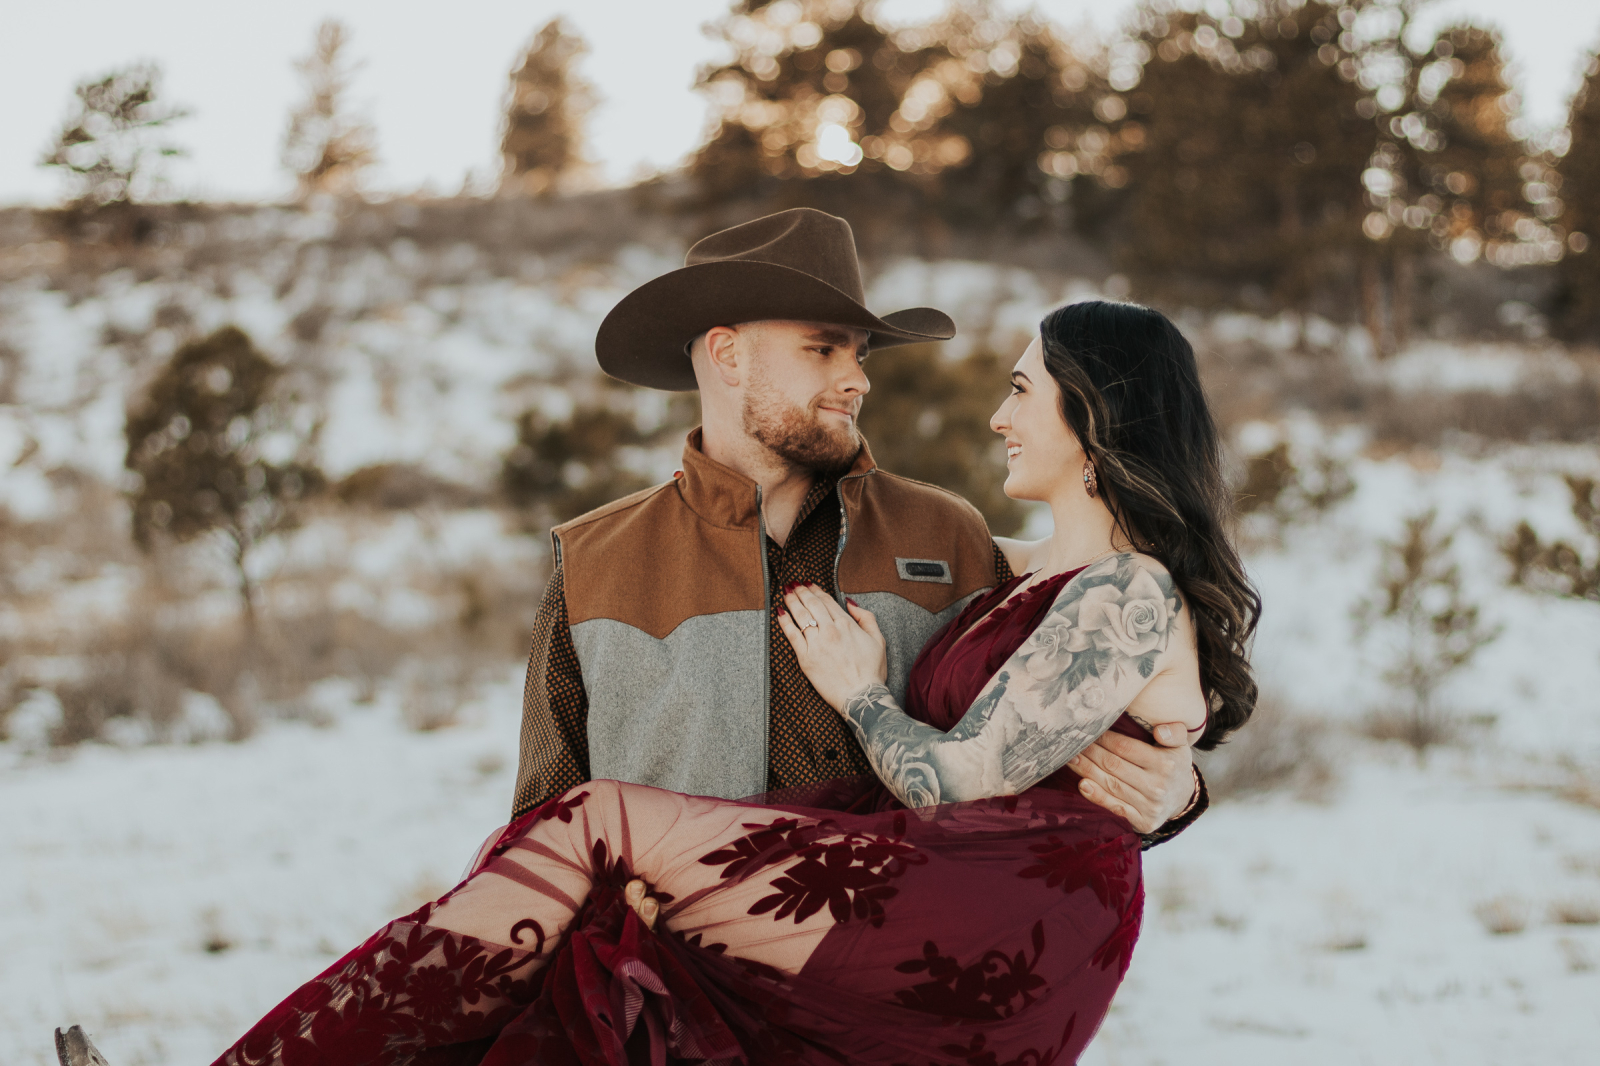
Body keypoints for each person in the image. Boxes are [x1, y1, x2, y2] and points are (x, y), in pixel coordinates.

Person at [55, 217, 1258, 1066]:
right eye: (825, 349)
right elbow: (541, 811)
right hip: (666, 1007)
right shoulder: (597, 559)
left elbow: (1054, 730)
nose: (857, 381)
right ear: (726, 353)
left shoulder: (948, 537)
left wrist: (1174, 789)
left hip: (861, 1001)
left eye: (862, 355)